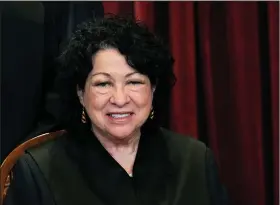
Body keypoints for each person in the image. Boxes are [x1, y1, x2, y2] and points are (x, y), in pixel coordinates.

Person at [4, 15, 228, 205]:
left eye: (134, 82)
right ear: (81, 93)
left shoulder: (195, 160)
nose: (120, 99)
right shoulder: (37, 171)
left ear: (153, 88)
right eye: (103, 84)